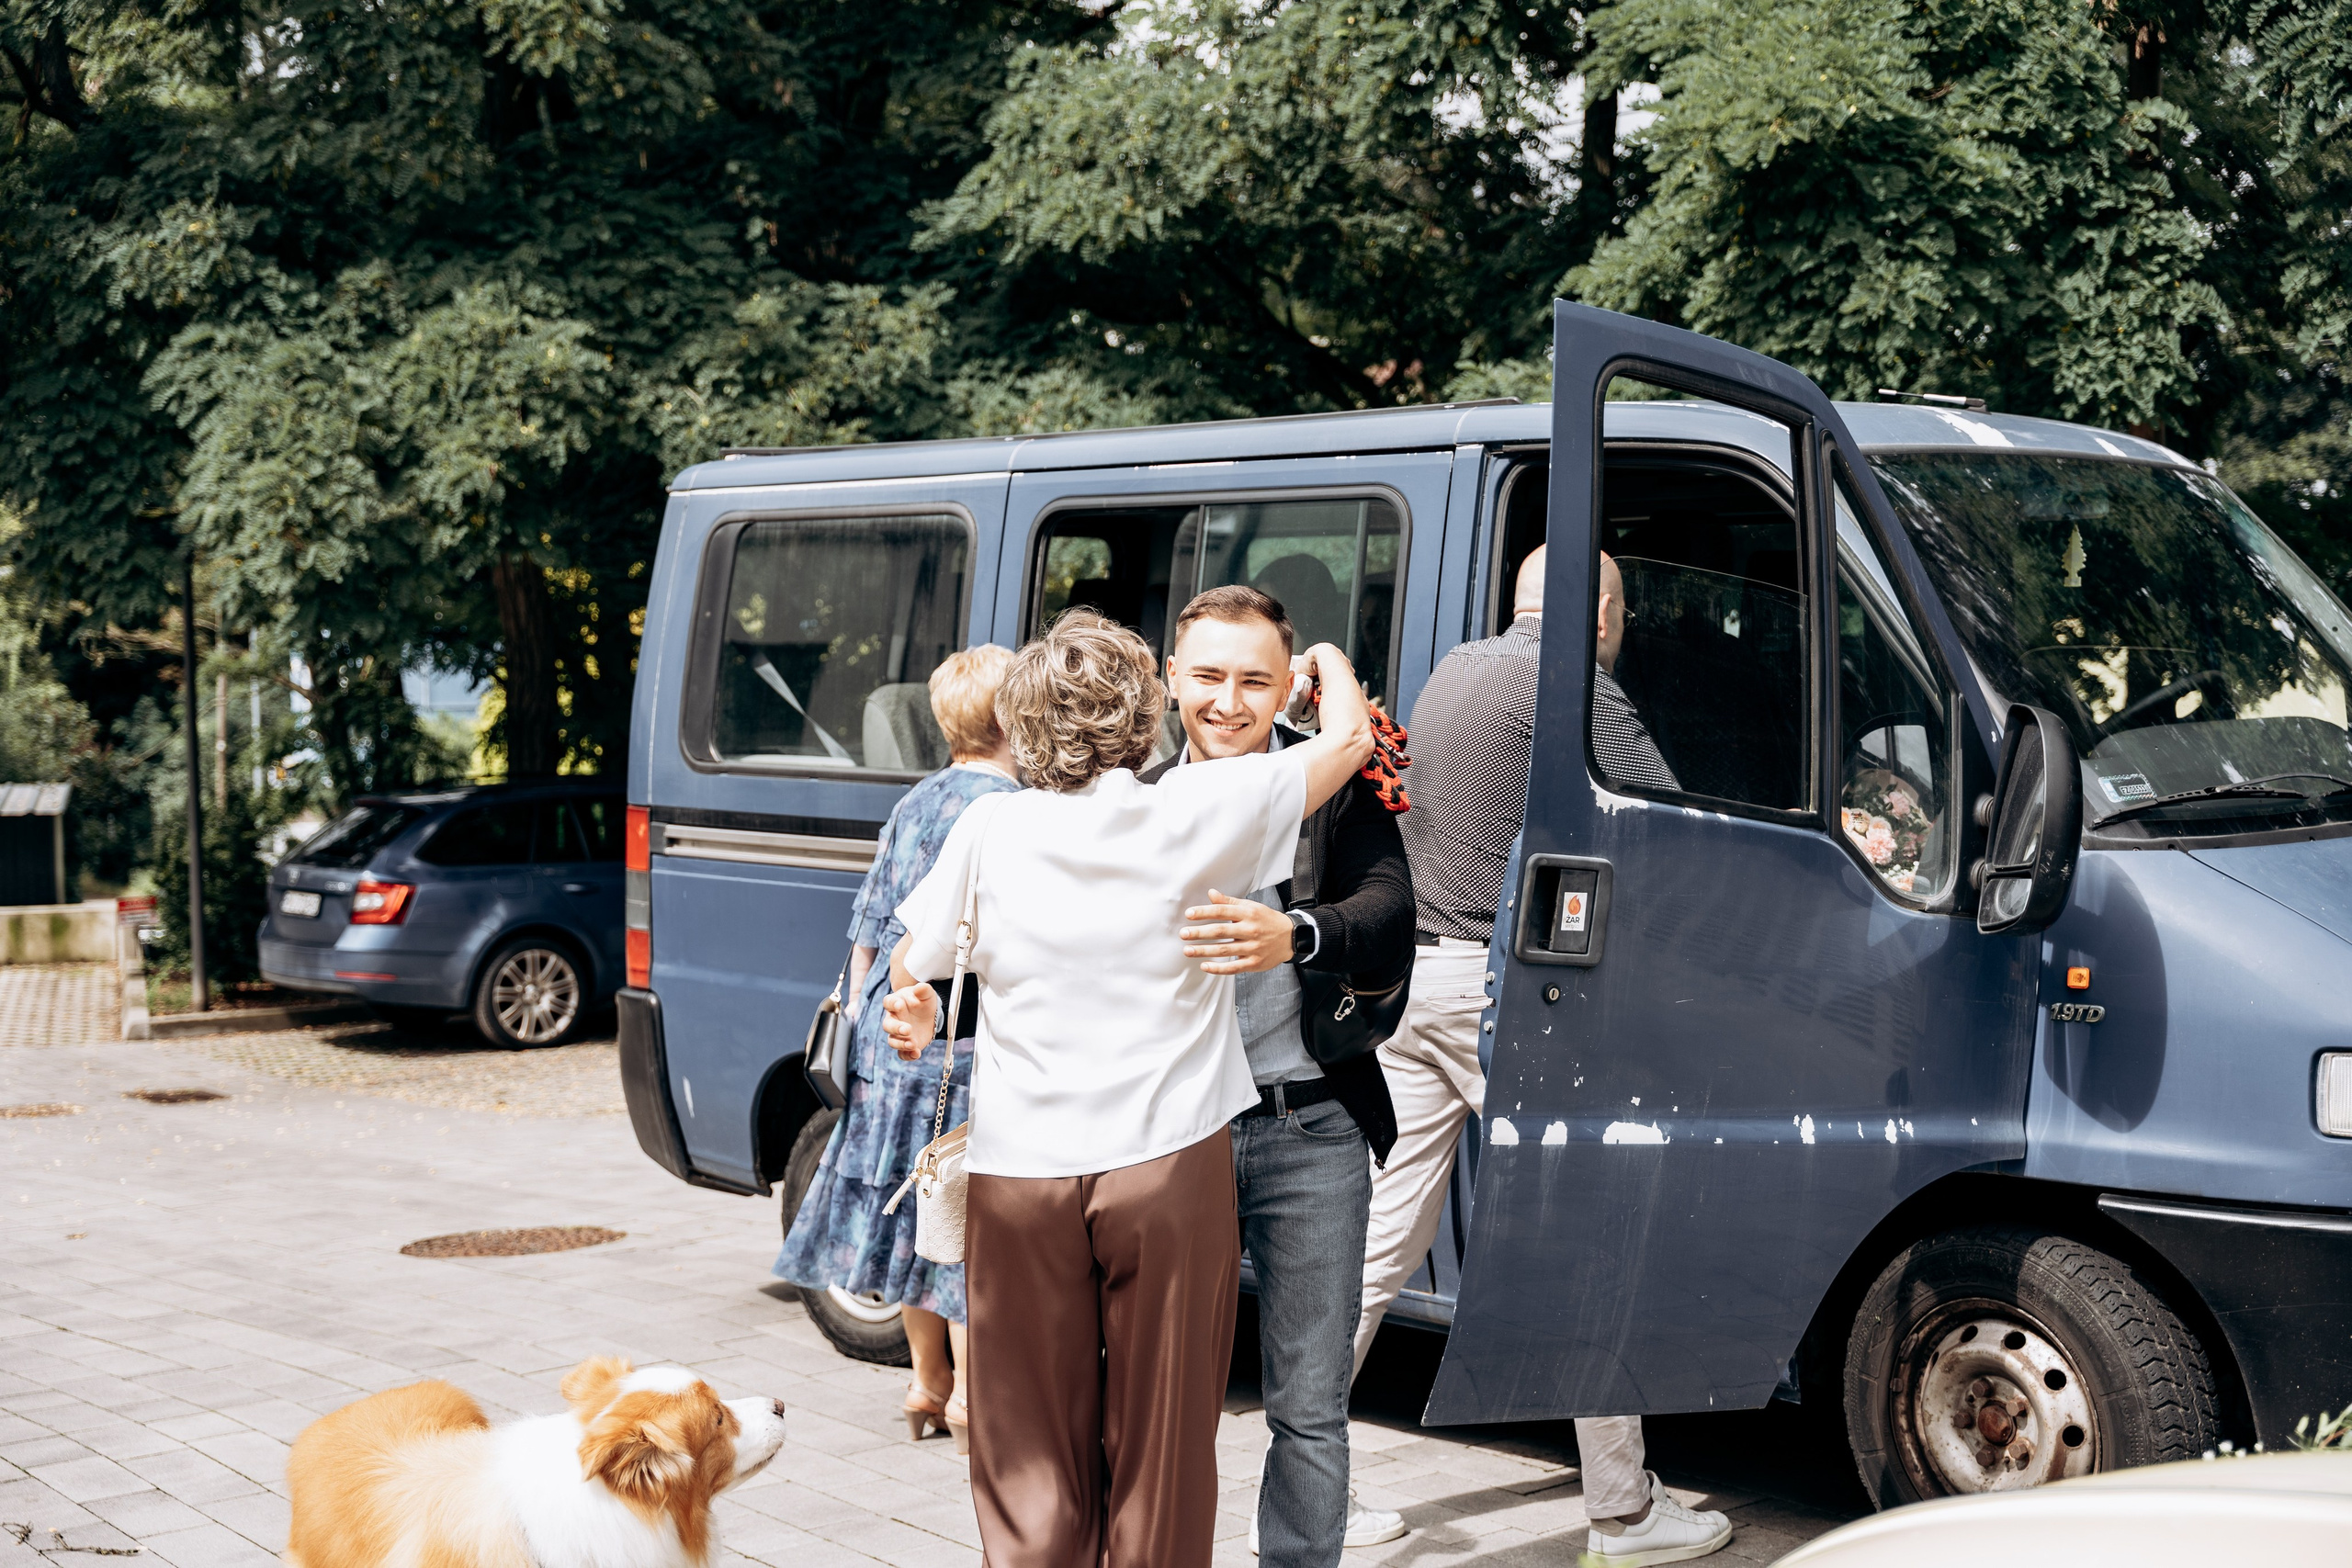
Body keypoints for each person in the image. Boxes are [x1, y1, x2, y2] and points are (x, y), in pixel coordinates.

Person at [877, 609, 1375, 1568]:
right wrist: (1323, 662)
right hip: (1165, 1166)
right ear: (1146, 713)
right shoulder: (1196, 807)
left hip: (1021, 1174)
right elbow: (1350, 740)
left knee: (1026, 1439)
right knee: (1163, 1442)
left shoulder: (988, 826)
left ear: (1021, 722)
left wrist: (922, 1013)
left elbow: (915, 963)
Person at [1351, 548, 1733, 1564]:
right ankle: (1623, 1512)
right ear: (1603, 614)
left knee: (1383, 1242)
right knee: (1583, 1240)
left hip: (1413, 986)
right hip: (1495, 995)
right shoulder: (1576, 685)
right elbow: (1679, 830)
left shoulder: (1457, 667)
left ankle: (1308, 1483)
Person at [1143, 586, 1415, 1565]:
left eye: (1254, 680)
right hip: (1176, 1136)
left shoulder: (1331, 783)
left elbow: (1389, 909)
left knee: (1310, 1405)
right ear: (1170, 676)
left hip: (1313, 1132)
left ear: (1285, 686)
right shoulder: (1130, 797)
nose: (1228, 701)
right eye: (1207, 676)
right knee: (1164, 1399)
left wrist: (1296, 933)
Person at [775, 645, 1019, 1450]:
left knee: (925, 1208)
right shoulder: (1012, 810)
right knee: (968, 1223)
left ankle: (926, 1384)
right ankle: (975, 1402)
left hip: (891, 1038)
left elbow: (865, 929)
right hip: (961, 1037)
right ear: (1015, 716)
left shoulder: (917, 799)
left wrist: (866, 1023)